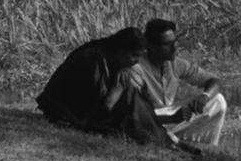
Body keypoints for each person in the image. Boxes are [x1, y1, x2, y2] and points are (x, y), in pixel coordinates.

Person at [35, 28, 175, 147]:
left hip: (86, 111)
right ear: (121, 51)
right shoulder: (92, 60)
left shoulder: (112, 57)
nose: (136, 61)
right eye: (134, 56)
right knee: (129, 95)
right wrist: (118, 89)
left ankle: (157, 134)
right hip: (66, 113)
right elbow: (100, 108)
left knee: (132, 92)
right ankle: (156, 136)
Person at [120, 18, 228, 146]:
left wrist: (204, 96)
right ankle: (170, 142)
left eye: (175, 42)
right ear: (151, 46)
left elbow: (214, 80)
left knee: (218, 100)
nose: (174, 48)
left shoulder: (175, 64)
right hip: (148, 122)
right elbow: (134, 115)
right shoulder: (136, 68)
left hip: (169, 118)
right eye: (167, 44)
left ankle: (200, 145)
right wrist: (171, 117)